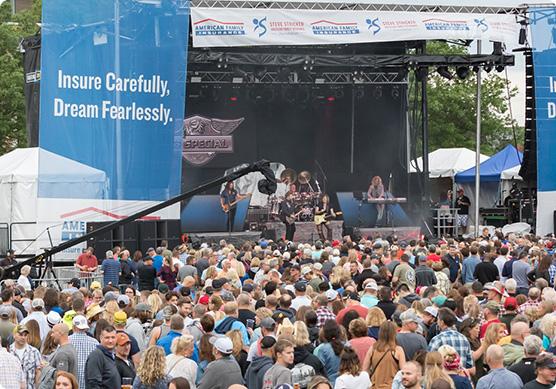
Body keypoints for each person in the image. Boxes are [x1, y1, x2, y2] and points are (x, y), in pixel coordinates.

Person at [362, 320, 406, 389]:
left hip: (374, 386)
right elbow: (404, 372)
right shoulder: (398, 350)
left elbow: (364, 370)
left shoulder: (373, 348)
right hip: (391, 386)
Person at [85, 325, 122, 389]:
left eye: (113, 337)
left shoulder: (111, 355)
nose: (110, 341)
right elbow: (93, 383)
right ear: (100, 338)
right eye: (107, 338)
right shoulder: (96, 355)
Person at [69, 315, 99, 389]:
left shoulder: (67, 341)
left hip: (71, 381)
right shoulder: (95, 342)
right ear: (85, 328)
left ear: (73, 327)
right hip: (89, 381)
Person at [9, 324, 41, 389]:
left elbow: (38, 372)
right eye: (20, 334)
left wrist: (37, 387)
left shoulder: (34, 352)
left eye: (25, 335)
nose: (23, 337)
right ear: (14, 335)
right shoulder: (9, 351)